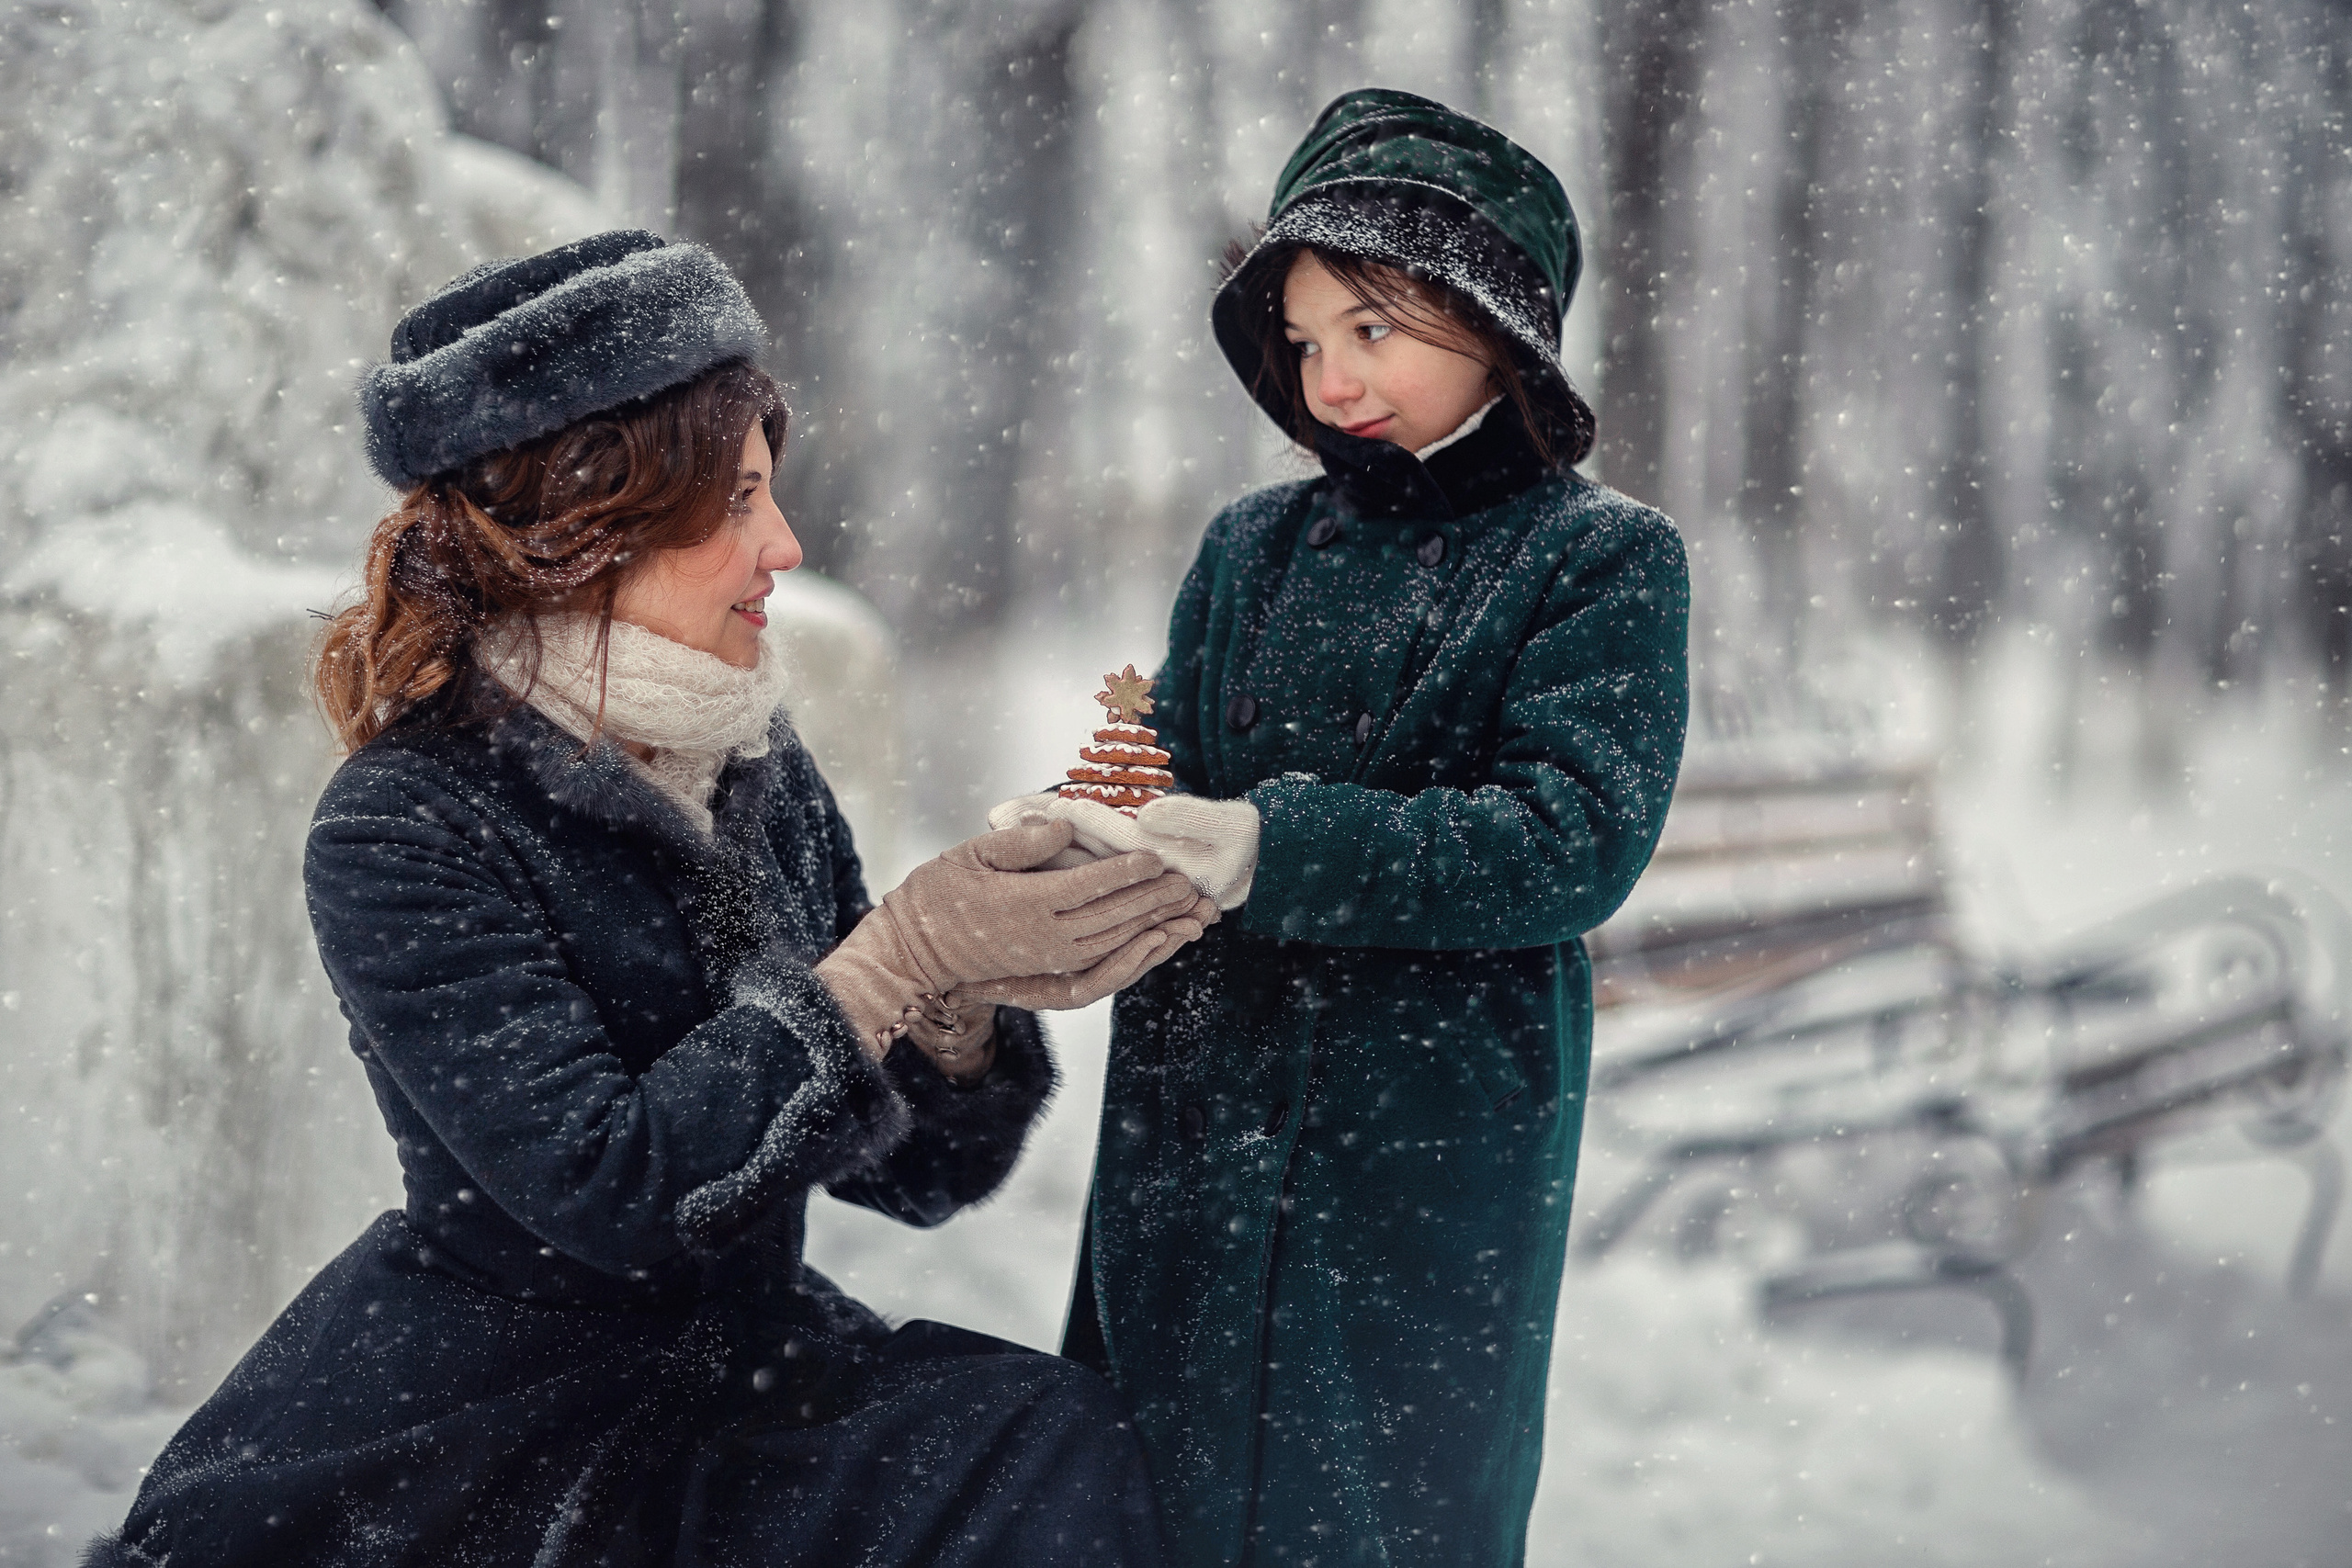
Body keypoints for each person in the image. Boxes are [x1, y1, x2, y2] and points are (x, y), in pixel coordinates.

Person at [89, 230, 1214, 1568]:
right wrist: (890, 961)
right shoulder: (410, 821)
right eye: (737, 500)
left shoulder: (752, 769)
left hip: (739, 1377)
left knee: (1051, 1441)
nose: (785, 544)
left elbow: (918, 1177)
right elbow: (613, 1190)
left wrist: (961, 999)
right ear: (590, 525)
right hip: (489, 1425)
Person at [1002, 89, 1691, 1566]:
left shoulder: (1598, 560)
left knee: (1376, 1499)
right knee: (1147, 1488)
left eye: (1373, 330)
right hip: (1195, 1112)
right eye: (1307, 342)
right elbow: (1163, 751)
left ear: (1499, 324)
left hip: (1424, 1138)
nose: (1331, 380)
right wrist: (1087, 817)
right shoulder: (1251, 547)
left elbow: (1571, 839)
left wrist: (1279, 848)